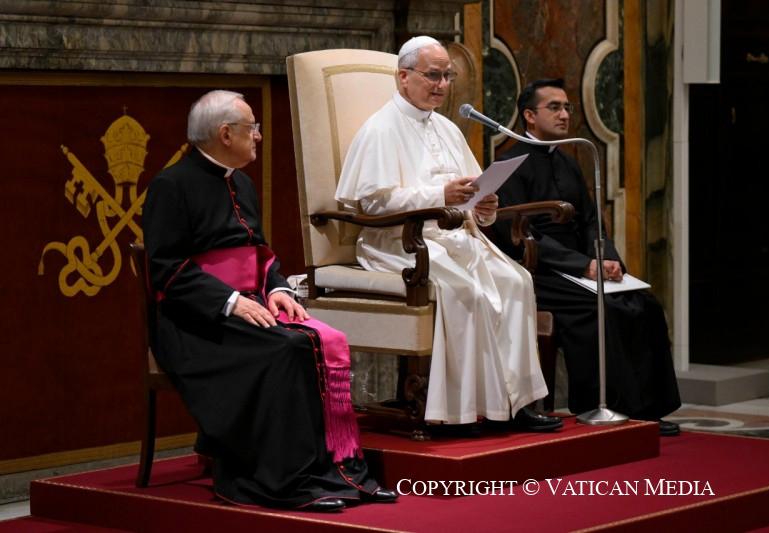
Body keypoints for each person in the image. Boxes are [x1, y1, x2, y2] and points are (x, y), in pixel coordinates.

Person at [142, 90, 397, 512]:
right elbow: (165, 269)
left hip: (249, 304)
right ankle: (285, 480)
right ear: (226, 134)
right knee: (288, 348)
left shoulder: (241, 182)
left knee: (321, 341)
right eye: (252, 128)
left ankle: (343, 474)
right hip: (193, 321)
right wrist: (229, 301)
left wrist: (277, 289)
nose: (258, 136)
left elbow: (259, 253)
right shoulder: (171, 186)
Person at [334, 36, 562, 433]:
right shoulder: (380, 129)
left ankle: (516, 405)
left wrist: (483, 208)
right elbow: (372, 202)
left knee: (516, 281)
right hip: (401, 242)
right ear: (403, 77)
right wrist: (440, 195)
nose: (441, 85)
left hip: (454, 238)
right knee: (465, 291)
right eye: (433, 75)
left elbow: (470, 192)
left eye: (447, 76)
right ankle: (460, 411)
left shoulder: (447, 129)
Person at [492, 79, 682, 436]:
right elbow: (516, 233)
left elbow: (592, 219)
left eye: (567, 107)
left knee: (644, 304)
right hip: (539, 269)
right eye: (554, 107)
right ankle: (609, 406)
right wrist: (582, 265)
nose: (565, 115)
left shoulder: (569, 162)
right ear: (529, 116)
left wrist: (605, 258)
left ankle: (650, 410)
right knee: (602, 307)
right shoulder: (509, 165)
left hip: (582, 264)